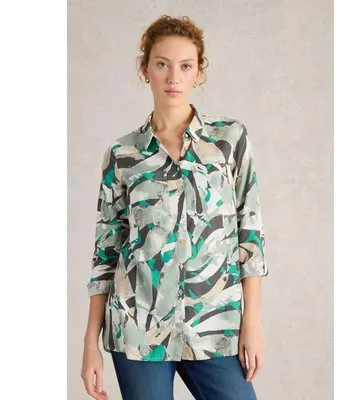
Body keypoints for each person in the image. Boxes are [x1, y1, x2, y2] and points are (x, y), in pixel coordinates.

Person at [81, 15, 268, 400]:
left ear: (199, 72)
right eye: (162, 64)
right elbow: (106, 251)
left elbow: (250, 235)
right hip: (137, 328)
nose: (173, 77)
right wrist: (90, 343)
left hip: (214, 325)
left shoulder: (228, 140)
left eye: (185, 66)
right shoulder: (123, 154)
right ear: (145, 69)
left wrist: (252, 322)